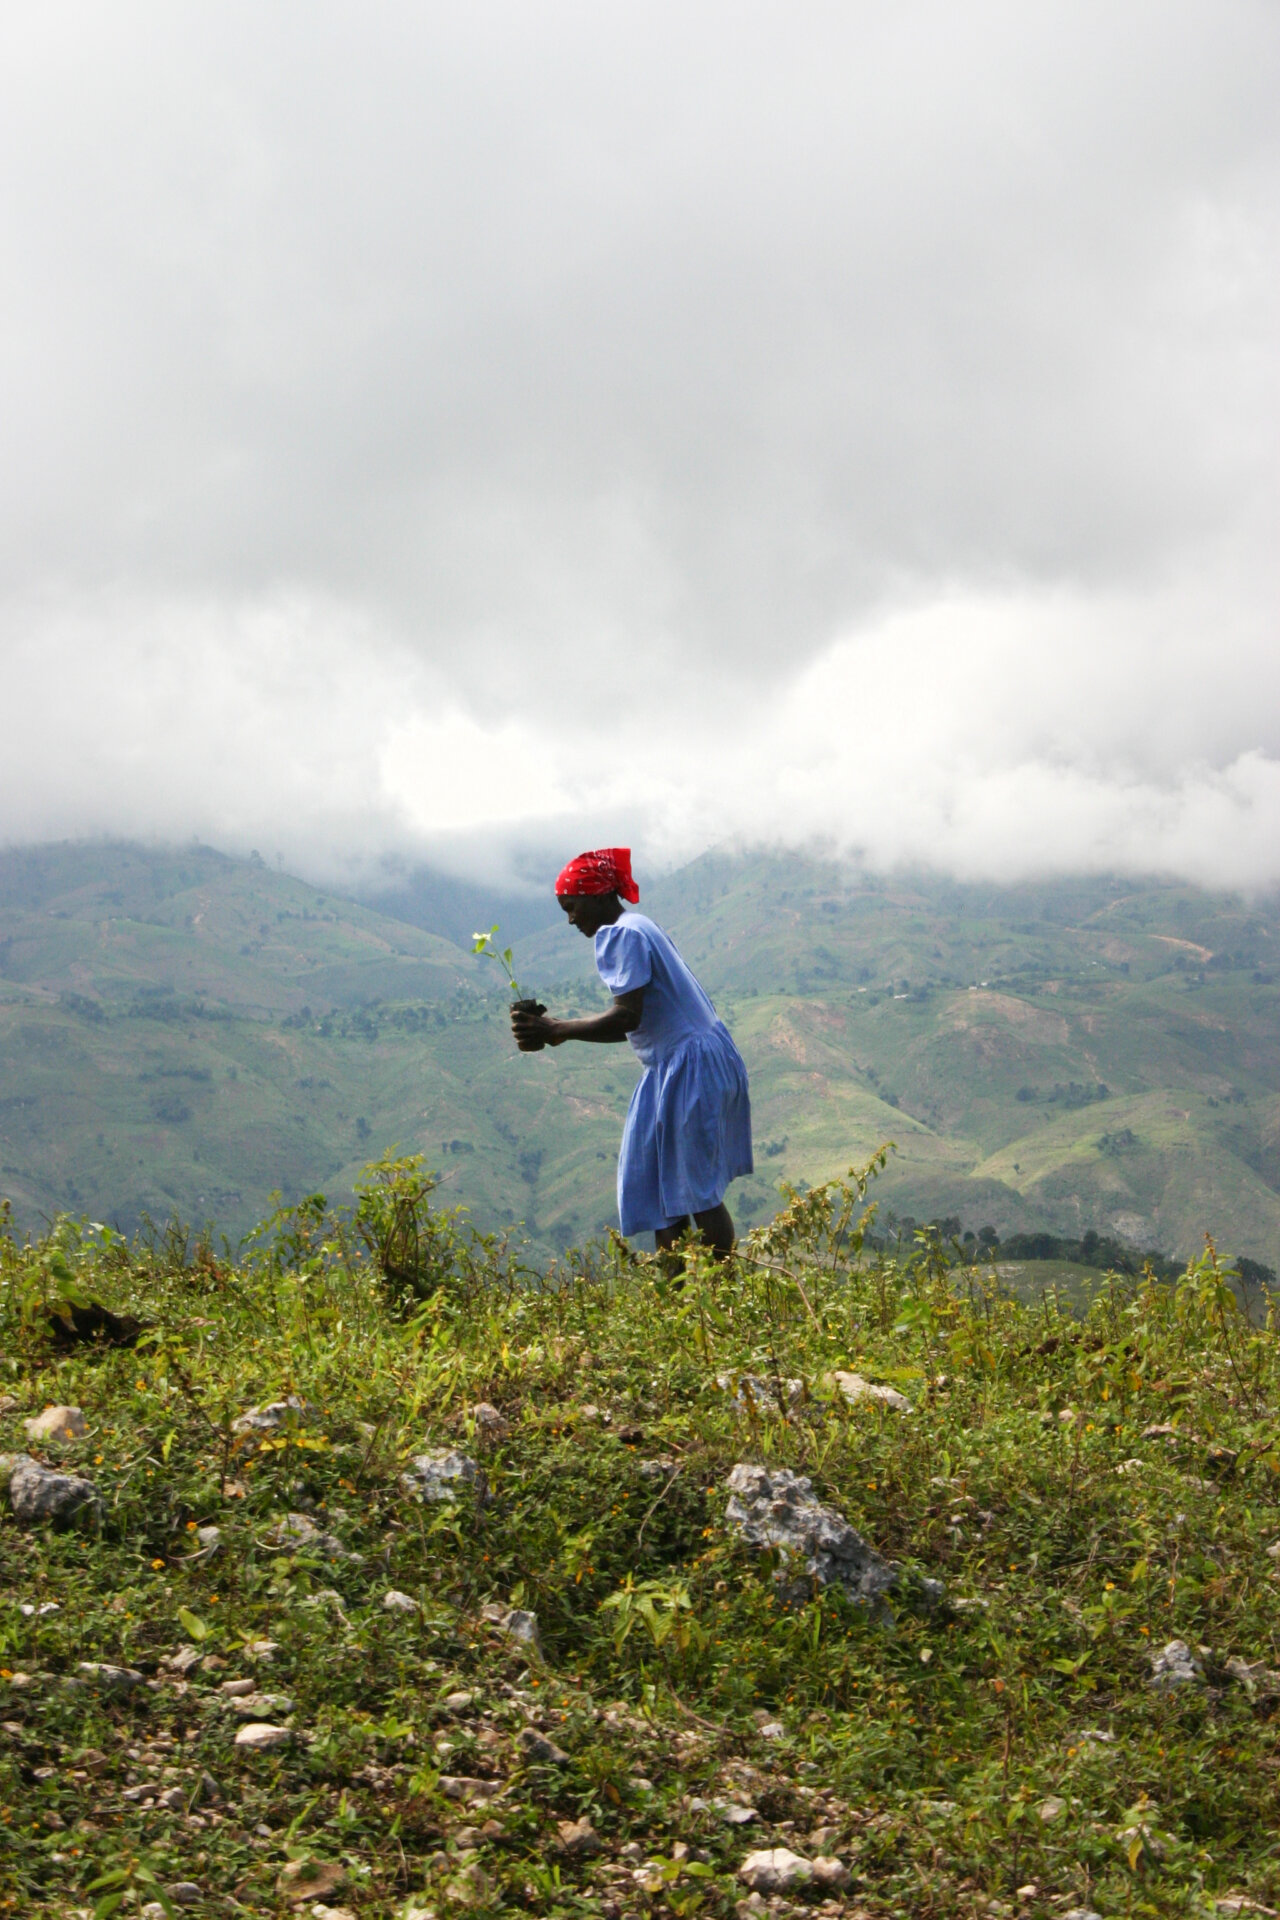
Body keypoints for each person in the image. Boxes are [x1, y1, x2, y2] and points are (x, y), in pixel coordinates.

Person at [510, 847, 753, 1256]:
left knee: (696, 1192)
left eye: (573, 908)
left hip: (687, 1066)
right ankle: (676, 1287)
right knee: (660, 1189)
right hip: (685, 1062)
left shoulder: (621, 934)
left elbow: (625, 1016)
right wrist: (558, 1031)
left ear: (600, 896)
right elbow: (635, 1023)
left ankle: (721, 1285)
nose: (571, 920)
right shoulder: (639, 926)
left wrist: (556, 1030)